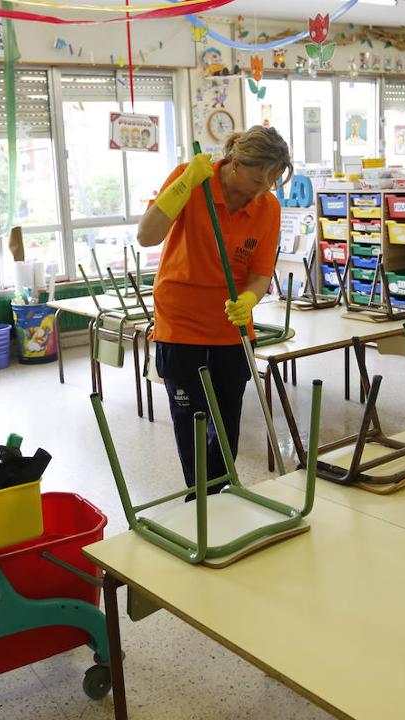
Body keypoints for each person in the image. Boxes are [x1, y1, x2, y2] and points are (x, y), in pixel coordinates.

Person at [137, 126, 292, 492]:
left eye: (268, 184)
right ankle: (199, 499)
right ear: (235, 163)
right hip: (181, 320)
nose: (260, 191)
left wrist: (250, 300)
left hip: (231, 324)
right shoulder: (192, 180)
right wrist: (185, 183)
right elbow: (147, 236)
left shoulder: (267, 207)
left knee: (227, 422)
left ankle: (220, 492)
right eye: (256, 180)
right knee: (190, 420)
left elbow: (260, 273)